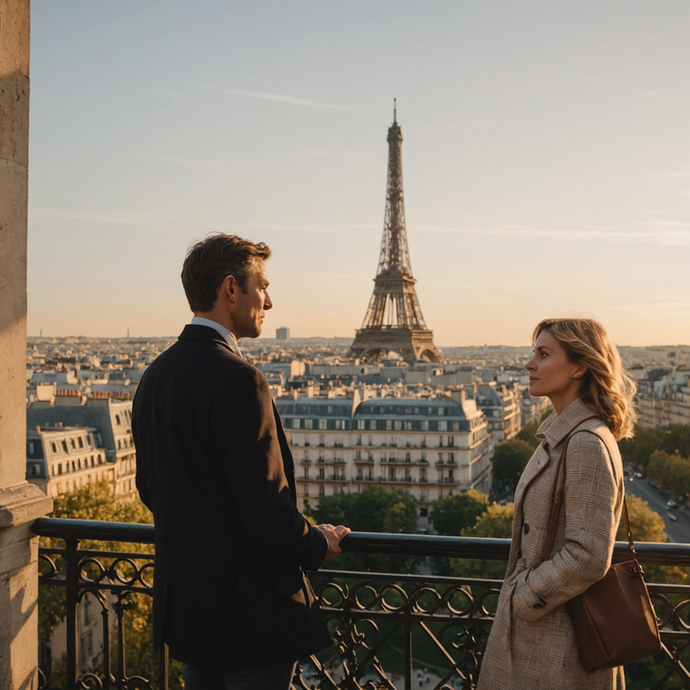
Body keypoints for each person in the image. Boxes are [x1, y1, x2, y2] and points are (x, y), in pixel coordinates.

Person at [132, 233, 350, 690]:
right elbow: (265, 508)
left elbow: (151, 490)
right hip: (250, 617)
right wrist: (317, 543)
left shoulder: (155, 375)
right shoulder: (238, 378)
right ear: (232, 289)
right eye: (263, 286)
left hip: (190, 610)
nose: (268, 302)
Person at [476, 318, 637, 690]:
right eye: (534, 353)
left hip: (557, 639)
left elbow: (589, 553)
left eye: (543, 354)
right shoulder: (568, 434)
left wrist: (523, 596)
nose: (530, 364)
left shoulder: (583, 443)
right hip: (548, 630)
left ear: (580, 366)